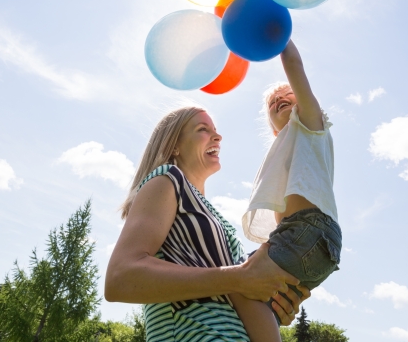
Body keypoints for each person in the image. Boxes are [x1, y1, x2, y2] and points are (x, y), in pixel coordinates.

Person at [105, 105, 310, 341]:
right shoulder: (168, 178)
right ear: (174, 145)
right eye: (203, 129)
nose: (218, 136)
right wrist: (239, 278)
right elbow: (121, 277)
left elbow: (234, 290)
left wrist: (272, 300)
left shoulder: (214, 216)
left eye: (216, 129)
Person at [232, 39, 342, 341]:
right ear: (271, 126)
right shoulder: (282, 152)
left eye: (287, 95)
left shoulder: (310, 124)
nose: (279, 99)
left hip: (309, 231)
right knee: (255, 308)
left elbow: (294, 65)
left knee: (237, 282)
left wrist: (278, 34)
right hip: (303, 240)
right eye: (272, 103)